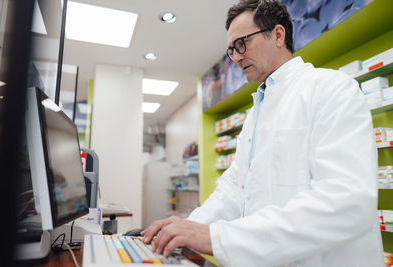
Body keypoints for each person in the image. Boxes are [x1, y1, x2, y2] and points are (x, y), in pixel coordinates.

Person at [142, 0, 384, 266]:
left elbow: (346, 203)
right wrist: (188, 228)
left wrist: (218, 237)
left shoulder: (331, 89)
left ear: (278, 35)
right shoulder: (255, 114)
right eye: (231, 50)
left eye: (241, 44)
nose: (235, 57)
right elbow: (234, 188)